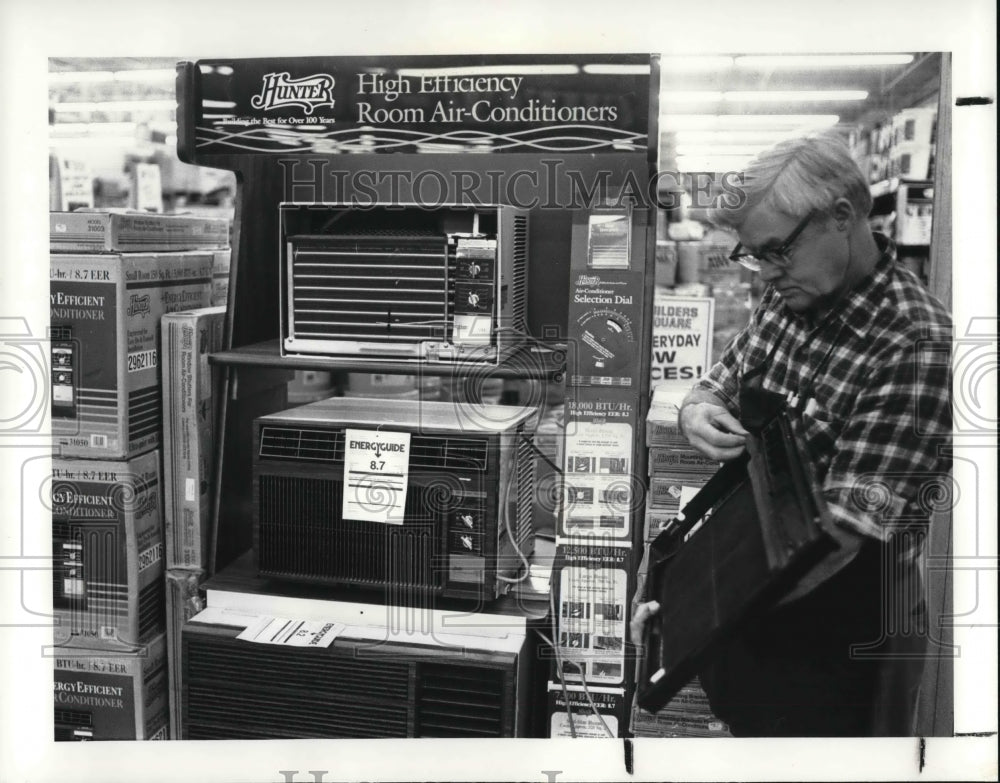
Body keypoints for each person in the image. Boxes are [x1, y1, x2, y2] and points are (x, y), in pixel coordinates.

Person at [631, 133, 952, 737]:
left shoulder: (915, 347)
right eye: (754, 256)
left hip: (840, 636)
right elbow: (714, 386)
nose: (768, 273)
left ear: (841, 216)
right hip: (763, 608)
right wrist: (695, 411)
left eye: (777, 250)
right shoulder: (790, 298)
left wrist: (691, 618)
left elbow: (841, 541)